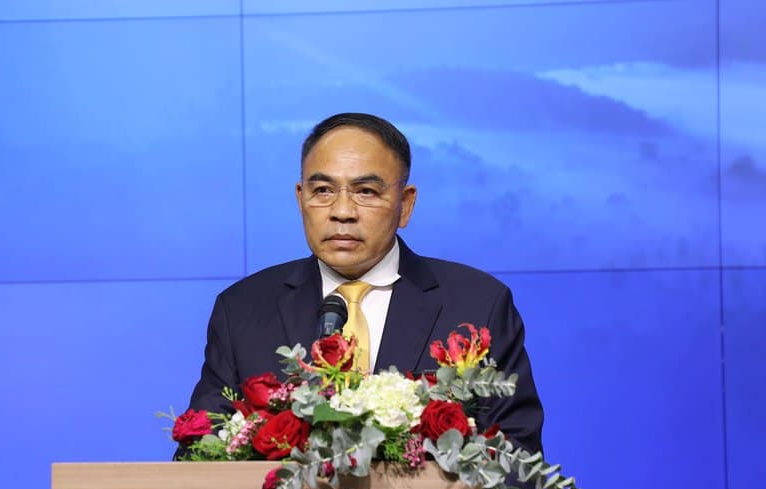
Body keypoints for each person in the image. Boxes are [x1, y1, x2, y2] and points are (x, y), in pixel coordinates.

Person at [184, 112, 543, 458]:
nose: (342, 211)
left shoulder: (478, 305)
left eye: (366, 192)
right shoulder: (241, 310)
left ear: (405, 204)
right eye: (323, 190)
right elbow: (198, 453)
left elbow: (516, 452)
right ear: (300, 199)